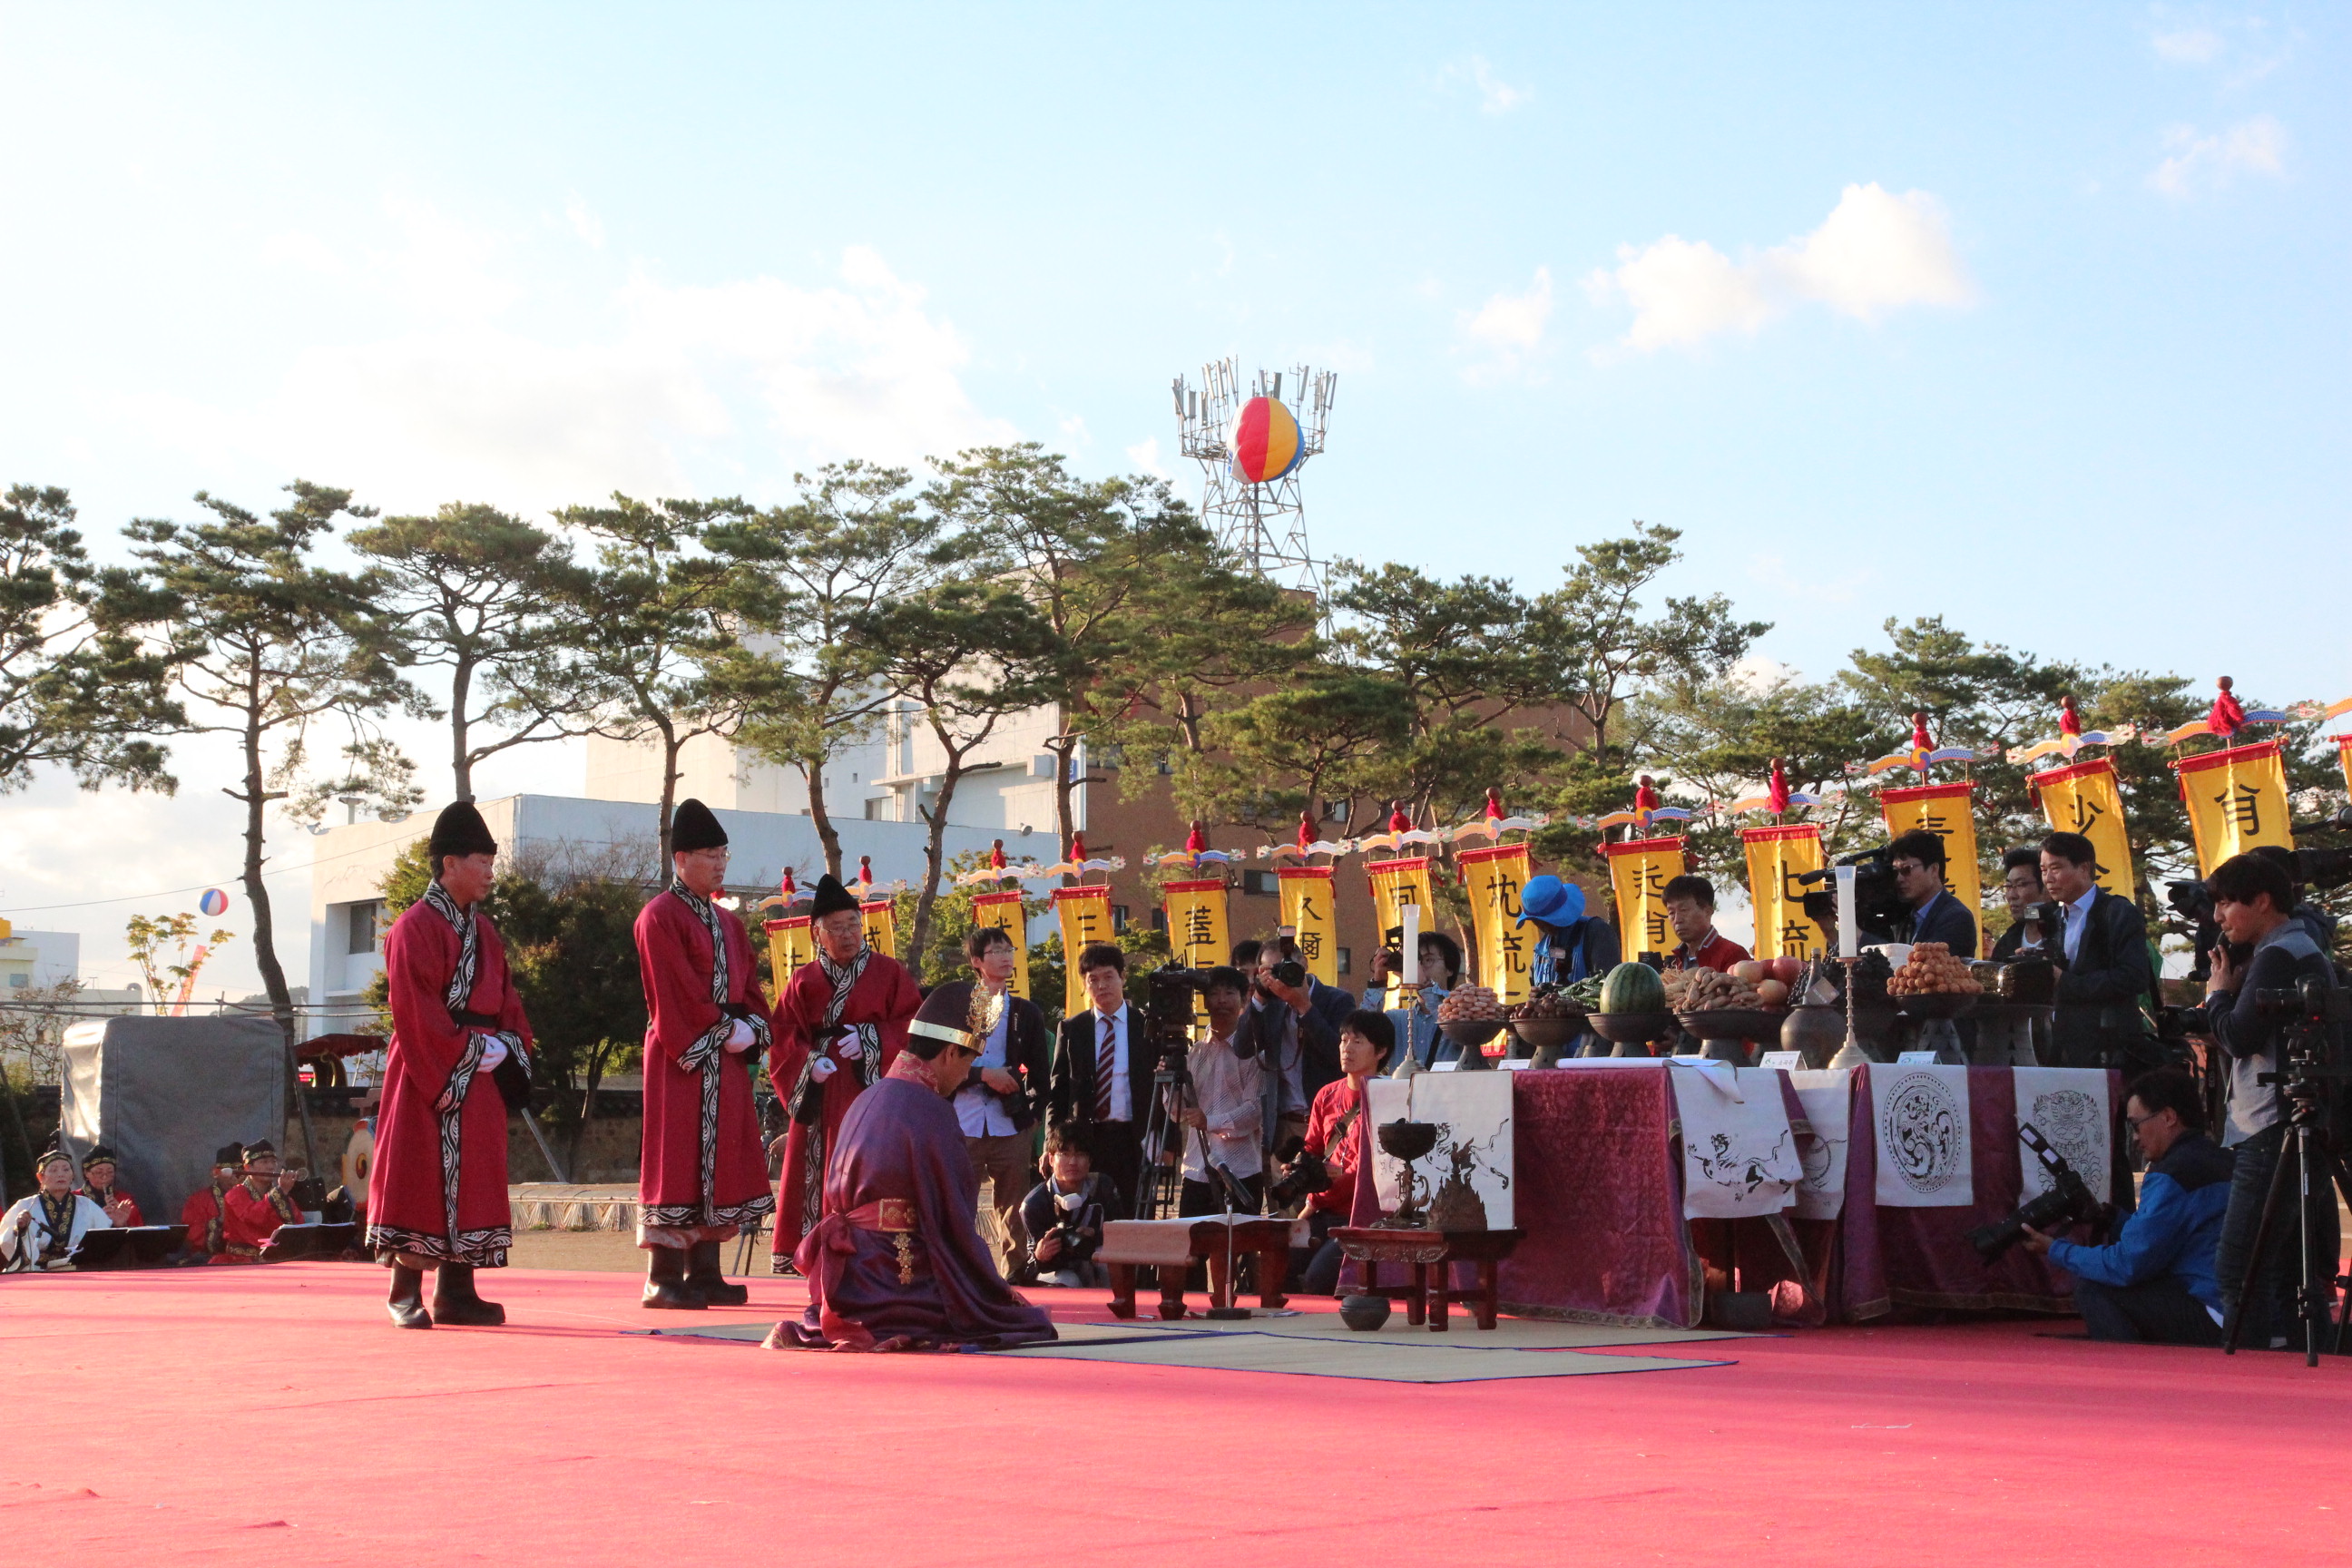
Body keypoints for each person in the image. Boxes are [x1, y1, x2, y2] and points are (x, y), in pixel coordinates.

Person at [771, 981, 1057, 1351]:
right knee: (1011, 1318)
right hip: (895, 1272)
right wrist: (990, 1282)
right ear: (950, 1053)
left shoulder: (869, 1096)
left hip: (847, 1274)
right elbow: (954, 1216)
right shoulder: (931, 1110)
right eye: (969, 1061)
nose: (965, 1074)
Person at [368, 799, 534, 1329]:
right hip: (429, 1069)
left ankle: (457, 1291)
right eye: (481, 861)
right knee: (419, 1173)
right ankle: (404, 1290)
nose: (490, 872)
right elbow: (413, 1008)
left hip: (479, 1069)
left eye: (491, 862)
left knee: (476, 1175)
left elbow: (507, 999)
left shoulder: (485, 932)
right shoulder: (412, 927)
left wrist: (508, 1043)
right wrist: (466, 1050)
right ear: (449, 864)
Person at [633, 799, 777, 1310]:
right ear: (681, 859)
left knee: (723, 1156)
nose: (720, 864)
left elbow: (751, 989)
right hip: (682, 1057)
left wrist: (753, 1027)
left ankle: (706, 1271)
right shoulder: (658, 916)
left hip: (727, 1057)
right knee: (678, 1157)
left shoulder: (729, 923)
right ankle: (662, 1276)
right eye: (710, 855)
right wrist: (723, 1029)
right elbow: (670, 992)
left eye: (723, 855)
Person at [2200, 851, 2341, 1349]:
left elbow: (2240, 1036)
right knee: (2288, 1270)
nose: (2218, 917)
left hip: (2272, 1126)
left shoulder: (2279, 955)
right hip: (2301, 1117)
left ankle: (2249, 1368)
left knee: (2239, 1268)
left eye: (2226, 903)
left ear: (2262, 901)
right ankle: (2305, 1365)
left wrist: (2218, 996)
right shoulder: (2301, 949)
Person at [771, 872, 921, 1270]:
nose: (847, 935)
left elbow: (913, 1025)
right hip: (820, 1091)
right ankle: (811, 1254)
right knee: (817, 1167)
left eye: (853, 924)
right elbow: (782, 1035)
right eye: (836, 928)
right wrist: (808, 1062)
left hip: (871, 1091)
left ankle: (873, 1255)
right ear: (817, 934)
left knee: (870, 1164)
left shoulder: (889, 973)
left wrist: (874, 1039)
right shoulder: (802, 980)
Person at [2021, 1067, 2231, 1345]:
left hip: (2212, 1313)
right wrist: (2114, 1219)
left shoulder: (2173, 1175)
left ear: (2168, 1117)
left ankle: (2126, 1366)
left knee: (2094, 1288)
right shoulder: (2224, 1160)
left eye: (2136, 1125)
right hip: (2240, 1309)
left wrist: (2055, 1250)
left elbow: (2128, 1265)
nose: (2135, 1137)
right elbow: (2173, 1238)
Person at [952, 926, 1049, 1279]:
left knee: (1014, 1208)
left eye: (1009, 950)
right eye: (996, 951)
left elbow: (1041, 1072)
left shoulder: (1025, 1012)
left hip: (1010, 1124)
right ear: (977, 961)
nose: (1006, 957)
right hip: (962, 1122)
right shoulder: (958, 1008)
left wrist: (1033, 1121)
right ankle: (962, 1275)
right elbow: (942, 1064)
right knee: (959, 1205)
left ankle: (1015, 1277)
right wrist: (983, 1075)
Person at [1048, 942, 1152, 1218]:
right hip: (1086, 1140)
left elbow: (1162, 1087)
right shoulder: (1072, 1028)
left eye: (1108, 976)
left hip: (1134, 1138)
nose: (1101, 985)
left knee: (1136, 1217)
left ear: (1123, 977)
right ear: (1084, 984)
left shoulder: (1146, 1026)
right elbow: (1058, 1090)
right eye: (1093, 979)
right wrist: (1052, 1142)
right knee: (1087, 1217)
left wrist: (1169, 1143)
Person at [2039, 830, 2155, 1070]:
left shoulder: (2118, 912)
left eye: (2056, 868)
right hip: (2065, 1051)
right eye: (2043, 870)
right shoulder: (2053, 919)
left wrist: (2066, 981)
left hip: (2110, 1052)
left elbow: (2134, 977)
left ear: (2084, 868)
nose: (2048, 878)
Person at [1292, 1009, 1389, 1295]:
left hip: (1360, 1216)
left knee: (1318, 1279)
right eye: (1344, 1040)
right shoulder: (1327, 1094)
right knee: (1277, 1263)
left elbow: (1363, 1172)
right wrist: (1299, 1167)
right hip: (1321, 1209)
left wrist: (1313, 1200)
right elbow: (1312, 1147)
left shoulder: (1387, 1098)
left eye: (1357, 1042)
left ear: (1381, 1051)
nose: (1347, 1049)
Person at [1238, 934, 1348, 1161]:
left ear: (1304, 963)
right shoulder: (1270, 1005)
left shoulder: (1337, 1000)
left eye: (1285, 967)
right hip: (1284, 1127)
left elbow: (1339, 1056)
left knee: (1326, 1183)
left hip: (1328, 1122)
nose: (1280, 977)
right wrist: (1259, 997)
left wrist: (1304, 1006)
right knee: (1283, 1183)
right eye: (1271, 971)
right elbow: (1242, 1049)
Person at [1175, 966, 1264, 1215]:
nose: (1221, 1000)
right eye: (1214, 994)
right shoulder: (1195, 1053)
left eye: (1229, 993)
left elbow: (1254, 1111)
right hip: (1197, 1168)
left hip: (1242, 1169)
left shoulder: (1254, 1052)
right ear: (1205, 1001)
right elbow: (1176, 1112)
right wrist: (1166, 1080)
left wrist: (1210, 1121)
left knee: (1241, 1238)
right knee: (1192, 1239)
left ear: (1244, 999)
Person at [1021, 1122, 1114, 1288]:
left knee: (1109, 1262)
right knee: (1068, 1281)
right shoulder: (1033, 1203)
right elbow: (1030, 1265)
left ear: (1090, 1161)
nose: (1072, 1162)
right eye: (1064, 1154)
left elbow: (1121, 1234)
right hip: (1054, 1269)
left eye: (1080, 1154)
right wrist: (1040, 1255)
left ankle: (1118, 1304)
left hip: (1093, 1257)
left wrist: (1095, 1235)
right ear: (1051, 1159)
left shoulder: (1103, 1187)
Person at [2, 1145, 110, 1271]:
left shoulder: (86, 1205)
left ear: (72, 1175)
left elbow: (104, 1236)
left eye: (66, 1169)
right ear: (41, 1177)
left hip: (77, 1269)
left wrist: (119, 1224)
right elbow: (6, 1239)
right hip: (36, 1270)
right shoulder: (25, 1206)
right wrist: (19, 1229)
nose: (61, 1174)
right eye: (53, 1170)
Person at [1887, 828, 1976, 956]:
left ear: (1934, 869)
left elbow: (1922, 963)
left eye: (1906, 870)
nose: (1899, 878)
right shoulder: (1903, 915)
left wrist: (1862, 936)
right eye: (1895, 871)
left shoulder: (1957, 918)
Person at [1517, 875, 1619, 984]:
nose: (1542, 926)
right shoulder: (1541, 949)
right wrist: (1536, 992)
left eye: (1547, 920)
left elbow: (1610, 985)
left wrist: (1572, 991)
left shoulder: (1597, 932)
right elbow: (1534, 983)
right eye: (1536, 921)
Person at [1387, 930, 1462, 1070]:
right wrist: (1377, 982)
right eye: (1414, 961)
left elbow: (1461, 1035)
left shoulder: (1462, 1010)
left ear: (1449, 968)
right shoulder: (1397, 1019)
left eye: (1428, 960)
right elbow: (1359, 1035)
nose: (1419, 968)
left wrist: (1426, 987)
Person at [222, 1141, 299, 1261]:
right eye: (264, 1162)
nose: (271, 1167)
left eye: (273, 1161)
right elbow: (254, 1217)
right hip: (241, 1262)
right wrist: (280, 1191)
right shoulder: (235, 1195)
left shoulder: (283, 1197)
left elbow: (298, 1226)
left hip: (277, 1261)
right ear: (248, 1167)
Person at [1661, 875, 1751, 973]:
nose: (1677, 919)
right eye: (1671, 913)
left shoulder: (1733, 954)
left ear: (1707, 911)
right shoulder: (1674, 962)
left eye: (1684, 910)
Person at [179, 1142, 243, 1265]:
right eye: (230, 1172)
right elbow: (192, 1235)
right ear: (216, 1173)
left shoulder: (255, 1197)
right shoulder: (199, 1200)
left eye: (240, 1172)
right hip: (209, 1259)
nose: (236, 1177)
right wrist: (221, 1220)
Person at [1988, 847, 2050, 960]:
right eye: (2008, 886)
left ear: (2046, 887)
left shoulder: (2066, 932)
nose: (2012, 895)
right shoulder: (2006, 942)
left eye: (2021, 885)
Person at [75, 1144, 142, 1226]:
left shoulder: (124, 1199)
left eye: (110, 1172)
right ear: (86, 1173)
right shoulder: (75, 1198)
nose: (105, 1177)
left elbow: (139, 1229)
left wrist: (122, 1223)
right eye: (99, 1172)